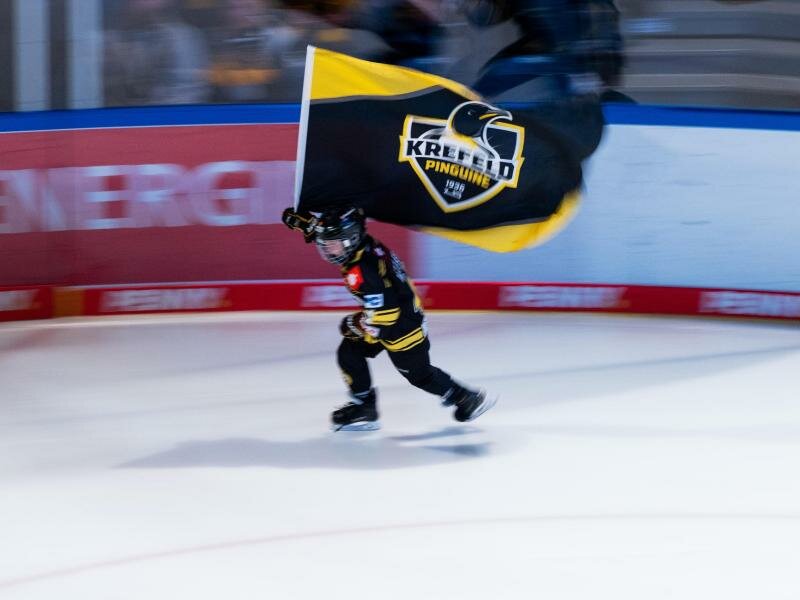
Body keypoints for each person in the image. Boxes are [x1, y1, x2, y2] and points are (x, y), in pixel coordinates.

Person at [282, 206, 496, 431]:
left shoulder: (363, 270)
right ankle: (364, 407)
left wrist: (354, 324)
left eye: (332, 244)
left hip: (402, 328)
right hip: (395, 315)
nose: (328, 250)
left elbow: (384, 317)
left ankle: (466, 399)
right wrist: (309, 226)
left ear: (350, 239)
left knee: (420, 376)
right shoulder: (360, 245)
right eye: (325, 244)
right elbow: (335, 233)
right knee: (349, 352)